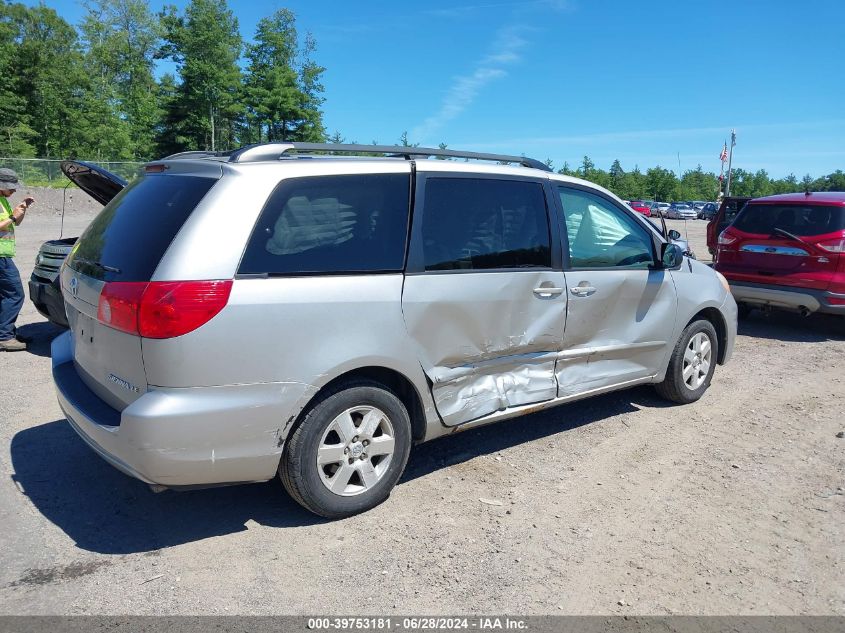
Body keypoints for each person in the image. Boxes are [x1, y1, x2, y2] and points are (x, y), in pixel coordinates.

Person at [0, 168, 34, 351]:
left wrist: (22, 210)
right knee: (15, 294)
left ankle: (6, 332)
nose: (14, 191)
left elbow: (15, 223)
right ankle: (4, 336)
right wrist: (13, 216)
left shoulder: (3, 200)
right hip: (0, 257)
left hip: (3, 255)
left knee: (4, 296)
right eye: (11, 187)